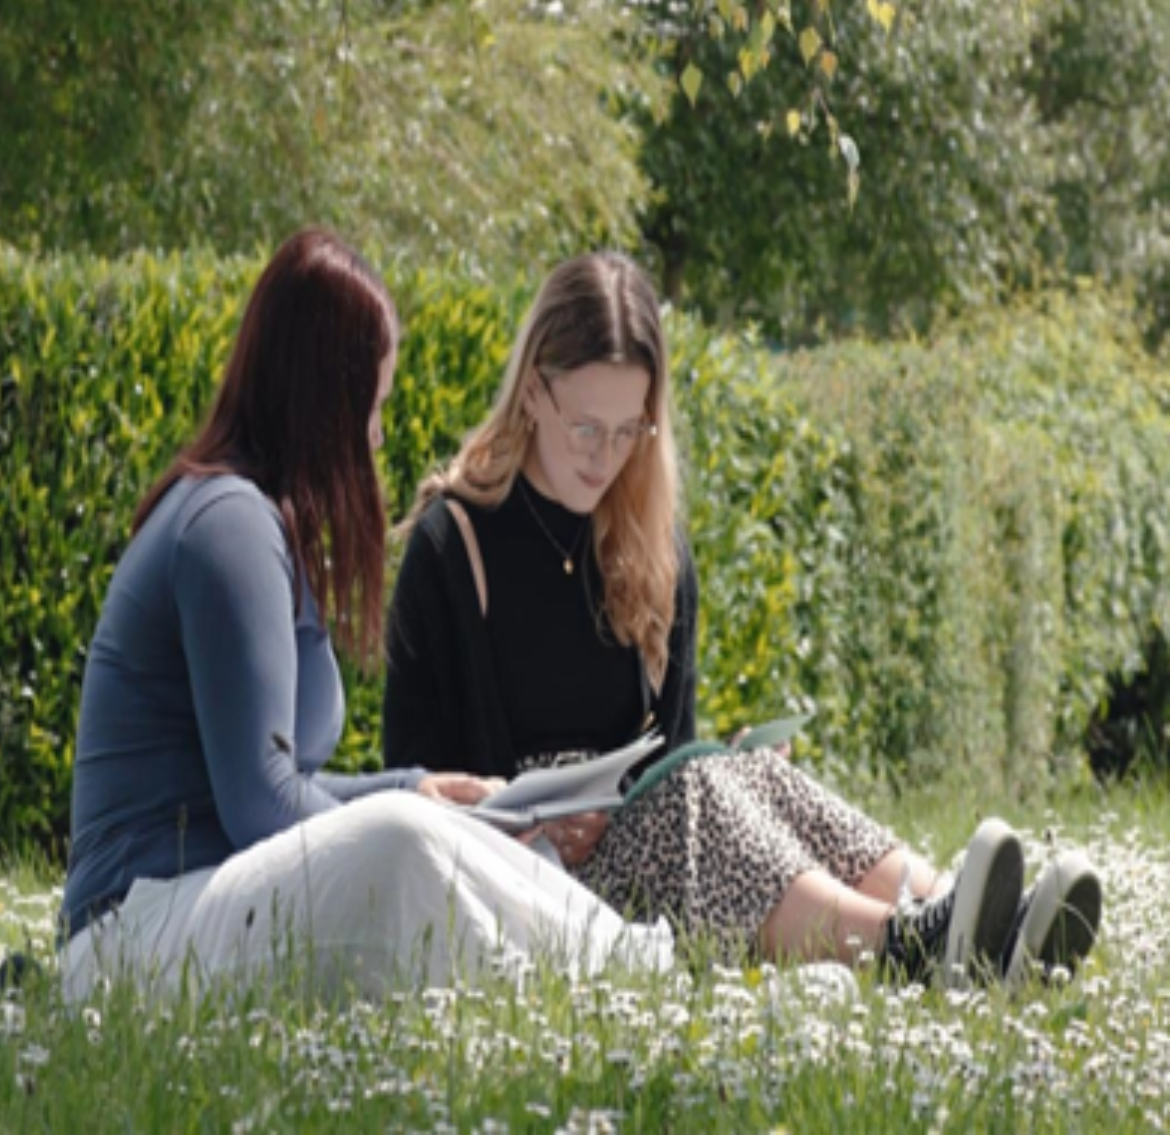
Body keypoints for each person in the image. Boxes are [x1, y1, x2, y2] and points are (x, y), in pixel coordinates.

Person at [384, 251, 1102, 987]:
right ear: (533, 394)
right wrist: (527, 821)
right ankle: (910, 946)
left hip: (643, 855)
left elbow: (667, 749)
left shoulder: (650, 547)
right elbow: (409, 801)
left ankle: (974, 916)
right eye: (586, 429)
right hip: (522, 879)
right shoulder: (451, 545)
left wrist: (710, 764)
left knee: (743, 773)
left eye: (630, 430)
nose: (606, 459)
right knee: (689, 793)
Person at [59, 230, 675, 1003]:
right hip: (135, 931)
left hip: (203, 900)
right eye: (373, 407)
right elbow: (262, 808)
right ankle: (613, 976)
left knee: (438, 828)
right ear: (324, 402)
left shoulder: (256, 525)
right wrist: (407, 807)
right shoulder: (226, 527)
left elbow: (282, 785)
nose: (378, 435)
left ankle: (617, 970)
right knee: (399, 842)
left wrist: (419, 786)